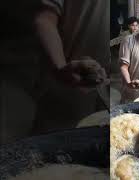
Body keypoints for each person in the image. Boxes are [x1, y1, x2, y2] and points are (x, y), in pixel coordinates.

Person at [32, 0, 109, 134]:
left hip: (107, 97)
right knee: (57, 148)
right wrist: (61, 67)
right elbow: (44, 20)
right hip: (68, 92)